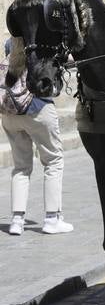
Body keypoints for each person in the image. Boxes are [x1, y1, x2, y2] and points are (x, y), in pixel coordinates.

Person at [1, 39, 73, 236]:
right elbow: (70, 60)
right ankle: (52, 219)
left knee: (21, 167)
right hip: (37, 108)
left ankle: (17, 221)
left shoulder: (11, 42)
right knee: (53, 161)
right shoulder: (44, 43)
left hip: (10, 112)